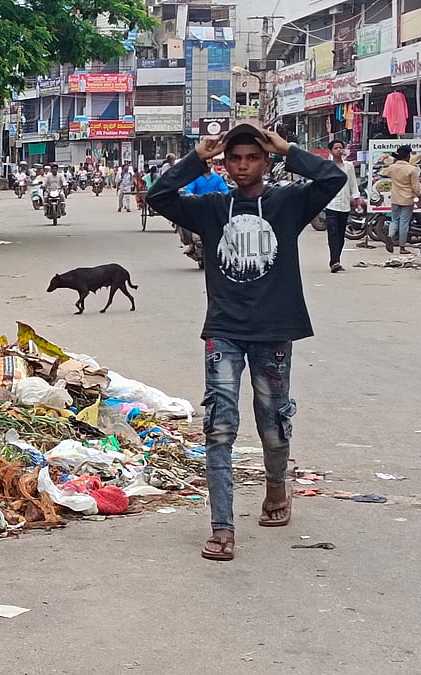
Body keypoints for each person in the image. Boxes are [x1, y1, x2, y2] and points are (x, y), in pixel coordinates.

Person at [146, 123, 345, 562]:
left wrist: (289, 149)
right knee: (219, 426)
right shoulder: (212, 208)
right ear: (224, 163)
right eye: (234, 158)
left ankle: (276, 485)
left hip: (274, 330)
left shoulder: (288, 203)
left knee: (272, 421)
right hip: (224, 329)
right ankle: (222, 526)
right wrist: (197, 158)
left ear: (266, 161)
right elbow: (158, 196)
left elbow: (333, 178)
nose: (242, 166)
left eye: (252, 157)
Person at [322, 140, 361, 271]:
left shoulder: (349, 166)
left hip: (344, 206)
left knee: (340, 236)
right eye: (336, 148)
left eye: (340, 148)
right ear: (331, 151)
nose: (339, 150)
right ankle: (334, 261)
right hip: (331, 205)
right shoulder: (327, 166)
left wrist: (356, 198)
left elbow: (353, 184)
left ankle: (336, 259)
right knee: (333, 234)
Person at [380, 145, 420, 254]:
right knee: (404, 223)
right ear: (408, 156)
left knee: (394, 220)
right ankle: (402, 247)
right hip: (408, 199)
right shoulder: (412, 169)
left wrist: (393, 161)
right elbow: (416, 187)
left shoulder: (392, 168)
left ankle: (390, 235)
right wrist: (419, 196)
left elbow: (383, 172)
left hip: (395, 198)